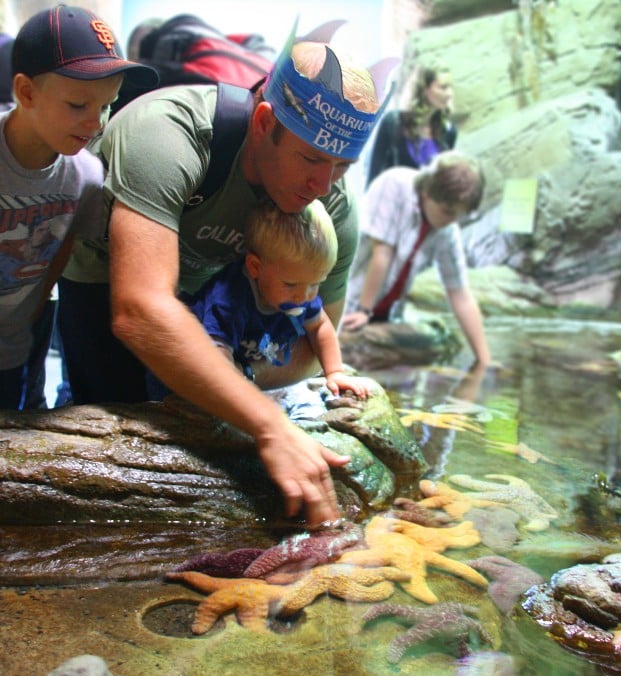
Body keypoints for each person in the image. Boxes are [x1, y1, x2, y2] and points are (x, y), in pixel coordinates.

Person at [57, 25, 393, 526]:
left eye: (342, 166)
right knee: (115, 412)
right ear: (263, 122)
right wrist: (269, 427)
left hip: (206, 294)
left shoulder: (331, 207)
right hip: (105, 279)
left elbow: (314, 336)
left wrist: (230, 375)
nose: (322, 186)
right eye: (310, 157)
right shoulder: (169, 133)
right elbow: (139, 311)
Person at [0, 5, 156, 410]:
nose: (97, 123)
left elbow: (64, 245)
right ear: (26, 92)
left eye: (106, 106)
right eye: (78, 105)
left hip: (11, 343)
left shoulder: (86, 176)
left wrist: (29, 313)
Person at [149, 198, 369, 400]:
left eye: (315, 284)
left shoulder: (300, 292)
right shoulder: (228, 301)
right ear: (255, 267)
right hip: (176, 373)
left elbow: (320, 327)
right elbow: (214, 353)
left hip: (233, 365)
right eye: (290, 284)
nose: (304, 296)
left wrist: (335, 372)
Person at [341, 150, 491, 367]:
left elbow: (460, 294)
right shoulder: (395, 184)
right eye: (448, 211)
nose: (452, 220)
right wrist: (364, 311)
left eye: (459, 215)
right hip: (350, 306)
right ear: (428, 193)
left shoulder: (447, 227)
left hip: (389, 315)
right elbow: (382, 252)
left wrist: (483, 361)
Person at [365, 65, 457, 187]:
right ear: (425, 89)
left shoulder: (448, 132)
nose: (449, 94)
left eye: (451, 87)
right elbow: (374, 176)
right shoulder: (392, 123)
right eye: (443, 87)